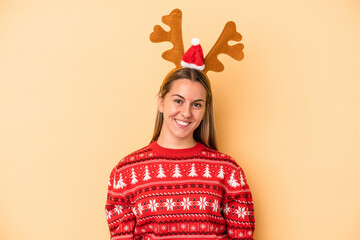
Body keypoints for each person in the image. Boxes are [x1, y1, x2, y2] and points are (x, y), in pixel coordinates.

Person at [105, 67, 255, 240]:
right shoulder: (126, 172)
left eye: (196, 104)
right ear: (161, 102)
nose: (186, 113)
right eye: (178, 101)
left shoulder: (228, 171)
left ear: (205, 111)